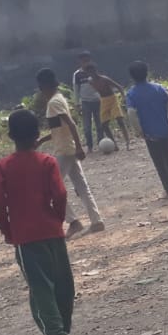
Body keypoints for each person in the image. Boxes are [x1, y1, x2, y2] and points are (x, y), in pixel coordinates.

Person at [0, 109, 75, 335]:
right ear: (38, 134)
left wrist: (8, 231)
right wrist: (57, 218)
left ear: (11, 136)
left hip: (25, 237)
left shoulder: (3, 167)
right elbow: (60, 194)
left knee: (40, 288)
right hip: (52, 231)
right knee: (63, 283)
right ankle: (63, 329)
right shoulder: (47, 162)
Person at [34, 68, 105, 237]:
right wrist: (41, 141)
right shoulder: (59, 99)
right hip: (68, 148)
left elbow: (71, 124)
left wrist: (80, 147)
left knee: (51, 186)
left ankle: (73, 221)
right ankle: (96, 220)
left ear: (43, 87)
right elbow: (59, 129)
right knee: (81, 186)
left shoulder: (54, 103)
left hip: (64, 150)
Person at [124, 60, 168, 198]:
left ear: (132, 76)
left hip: (149, 133)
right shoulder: (159, 88)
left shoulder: (131, 94)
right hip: (164, 129)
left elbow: (131, 114)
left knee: (159, 161)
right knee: (167, 157)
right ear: (147, 73)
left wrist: (138, 131)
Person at [79, 58, 130, 149]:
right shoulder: (90, 81)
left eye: (92, 71)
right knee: (104, 124)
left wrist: (123, 97)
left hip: (112, 99)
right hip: (103, 100)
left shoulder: (104, 79)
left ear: (95, 70)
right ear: (87, 73)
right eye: (89, 72)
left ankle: (127, 142)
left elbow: (119, 87)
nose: (91, 73)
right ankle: (114, 144)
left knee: (119, 120)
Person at [71, 52, 103, 148]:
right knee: (87, 127)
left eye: (87, 60)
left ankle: (101, 144)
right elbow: (76, 90)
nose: (86, 63)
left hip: (97, 100)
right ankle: (90, 146)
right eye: (84, 61)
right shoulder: (77, 74)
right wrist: (77, 104)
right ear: (80, 62)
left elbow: (101, 84)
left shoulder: (94, 71)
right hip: (85, 102)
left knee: (100, 125)